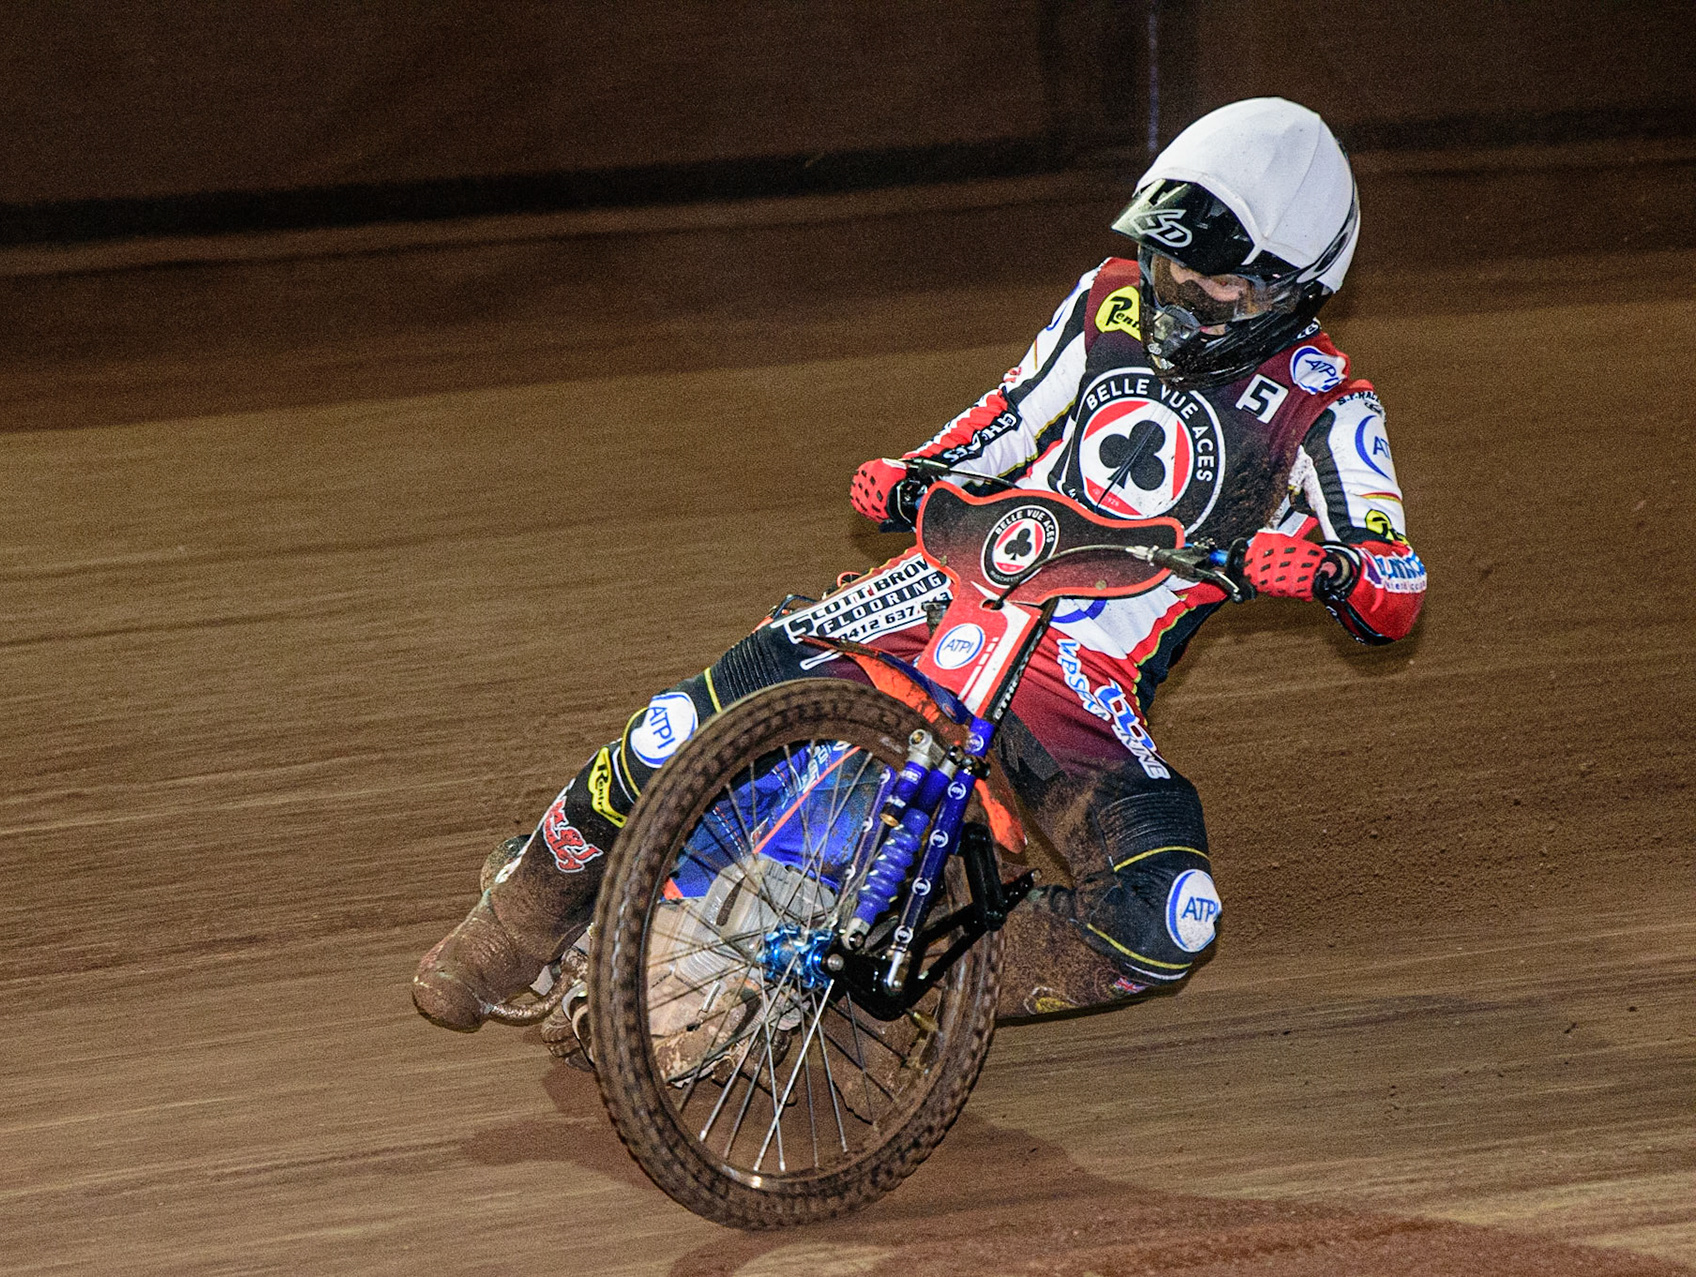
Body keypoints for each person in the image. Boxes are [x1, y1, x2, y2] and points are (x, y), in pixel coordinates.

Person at [413, 97, 1426, 1044]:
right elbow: (1012, 413)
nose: (1177, 292)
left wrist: (1326, 571)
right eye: (1168, 262)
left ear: (1294, 286)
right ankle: (512, 925)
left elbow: (1396, 581)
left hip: (1077, 674)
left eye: (1215, 280)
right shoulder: (1108, 300)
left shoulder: (1330, 406)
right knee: (680, 723)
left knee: (1169, 916)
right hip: (948, 579)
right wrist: (918, 470)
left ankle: (921, 981)